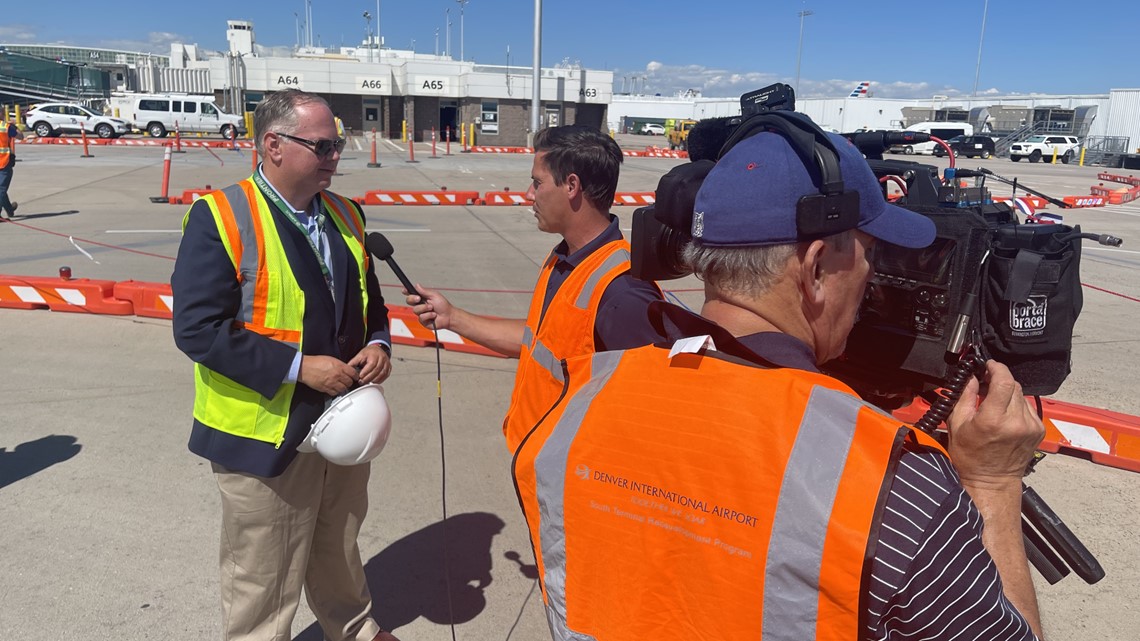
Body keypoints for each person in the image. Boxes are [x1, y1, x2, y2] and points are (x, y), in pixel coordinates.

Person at [512, 115, 1045, 640]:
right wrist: (993, 484)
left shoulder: (575, 404)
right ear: (814, 270)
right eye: (870, 257)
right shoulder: (896, 487)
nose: (871, 282)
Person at [172, 89, 400, 641]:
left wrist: (378, 343)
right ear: (273, 145)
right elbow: (197, 330)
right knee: (264, 574)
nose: (335, 156)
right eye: (321, 145)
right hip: (264, 435)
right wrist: (301, 368)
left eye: (337, 144)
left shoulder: (346, 213)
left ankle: (353, 628)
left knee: (338, 544)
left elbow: (370, 302)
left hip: (343, 424)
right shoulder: (221, 217)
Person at [407, 124, 664, 451]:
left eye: (537, 182)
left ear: (571, 186)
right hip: (538, 464)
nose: (529, 194)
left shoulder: (623, 291)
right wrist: (452, 318)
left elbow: (646, 416)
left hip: (573, 482)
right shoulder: (562, 260)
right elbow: (538, 341)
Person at [1, 117, 23, 221]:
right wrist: (15, 126)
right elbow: (21, 136)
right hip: (4, 161)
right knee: (1, 189)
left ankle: (9, 209)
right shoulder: (6, 127)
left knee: (1, 189)